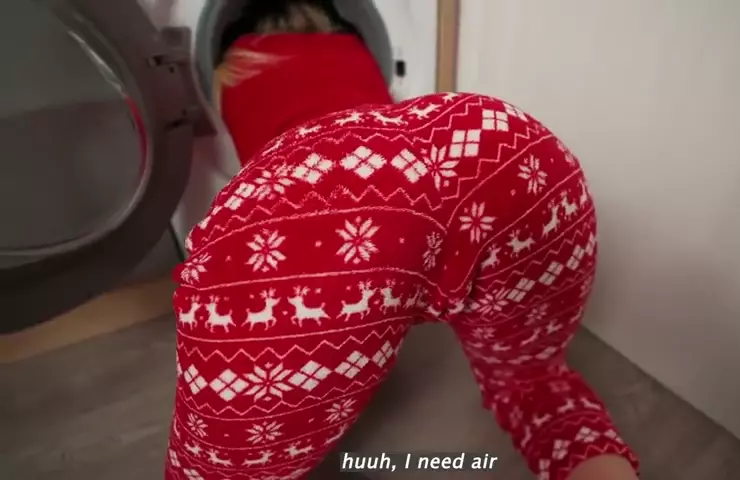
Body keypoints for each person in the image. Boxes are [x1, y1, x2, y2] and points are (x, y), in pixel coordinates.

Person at [167, 1, 639, 479]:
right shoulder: (353, 47)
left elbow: (263, 172)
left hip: (316, 206)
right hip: (494, 143)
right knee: (534, 385)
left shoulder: (232, 67)